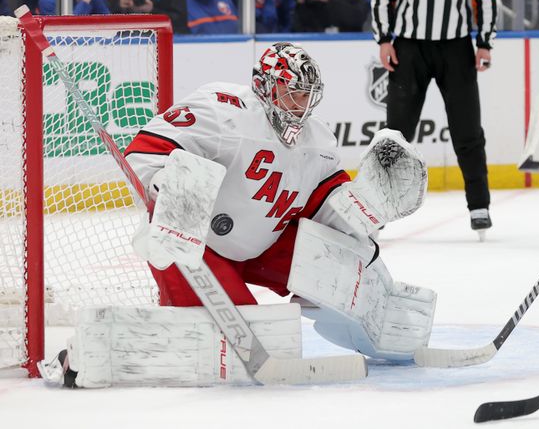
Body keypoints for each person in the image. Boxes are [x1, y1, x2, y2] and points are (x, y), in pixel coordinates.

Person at [40, 43, 432, 388]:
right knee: (244, 341)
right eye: (291, 92)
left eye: (306, 95)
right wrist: (169, 187)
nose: (300, 105)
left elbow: (323, 212)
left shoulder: (320, 142)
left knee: (349, 262)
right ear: (264, 85)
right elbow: (145, 150)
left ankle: (388, 335)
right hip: (197, 248)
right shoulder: (222, 109)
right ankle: (92, 350)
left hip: (264, 245)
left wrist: (366, 208)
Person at [373, 0, 497, 237]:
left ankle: (479, 205)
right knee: (395, 133)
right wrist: (384, 39)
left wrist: (484, 42)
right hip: (409, 48)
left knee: (467, 130)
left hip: (456, 49)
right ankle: (379, 206)